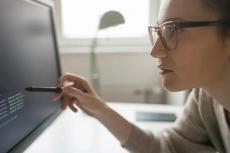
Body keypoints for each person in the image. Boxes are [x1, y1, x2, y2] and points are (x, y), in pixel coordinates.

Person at [52, 0, 230, 152]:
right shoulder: (206, 98)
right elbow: (166, 148)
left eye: (173, 29)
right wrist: (99, 108)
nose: (155, 51)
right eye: (159, 31)